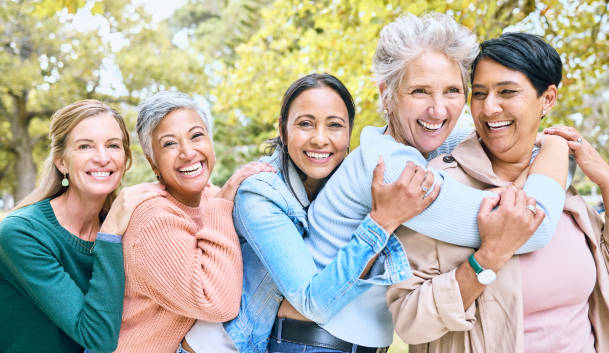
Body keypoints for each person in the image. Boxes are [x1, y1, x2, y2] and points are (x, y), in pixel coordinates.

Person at [288, 13, 571, 352]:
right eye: (420, 91)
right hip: (313, 342)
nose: (438, 110)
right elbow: (529, 226)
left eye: (452, 91)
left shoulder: (419, 143)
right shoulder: (394, 170)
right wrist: (557, 145)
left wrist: (537, 135)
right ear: (387, 95)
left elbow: (495, 138)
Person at [387, 32, 609, 353]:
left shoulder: (561, 181)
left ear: (547, 98)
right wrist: (487, 259)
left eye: (507, 92)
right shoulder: (436, 187)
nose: (489, 108)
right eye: (479, 94)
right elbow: (409, 321)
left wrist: (607, 181)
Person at [188, 73, 440, 353]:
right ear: (283, 131)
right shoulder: (260, 194)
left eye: (334, 125)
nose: (320, 139)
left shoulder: (341, 188)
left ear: (348, 134)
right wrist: (382, 222)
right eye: (305, 124)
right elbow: (313, 302)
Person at [0, 100, 166, 353]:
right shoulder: (22, 233)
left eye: (112, 145)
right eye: (85, 146)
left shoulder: (125, 226)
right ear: (61, 162)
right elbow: (97, 338)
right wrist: (109, 236)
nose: (102, 158)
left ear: (125, 158)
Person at [113, 91, 274, 353]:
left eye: (196, 136)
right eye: (169, 144)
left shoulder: (211, 196)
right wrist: (223, 204)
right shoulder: (153, 218)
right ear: (153, 162)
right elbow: (218, 305)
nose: (188, 152)